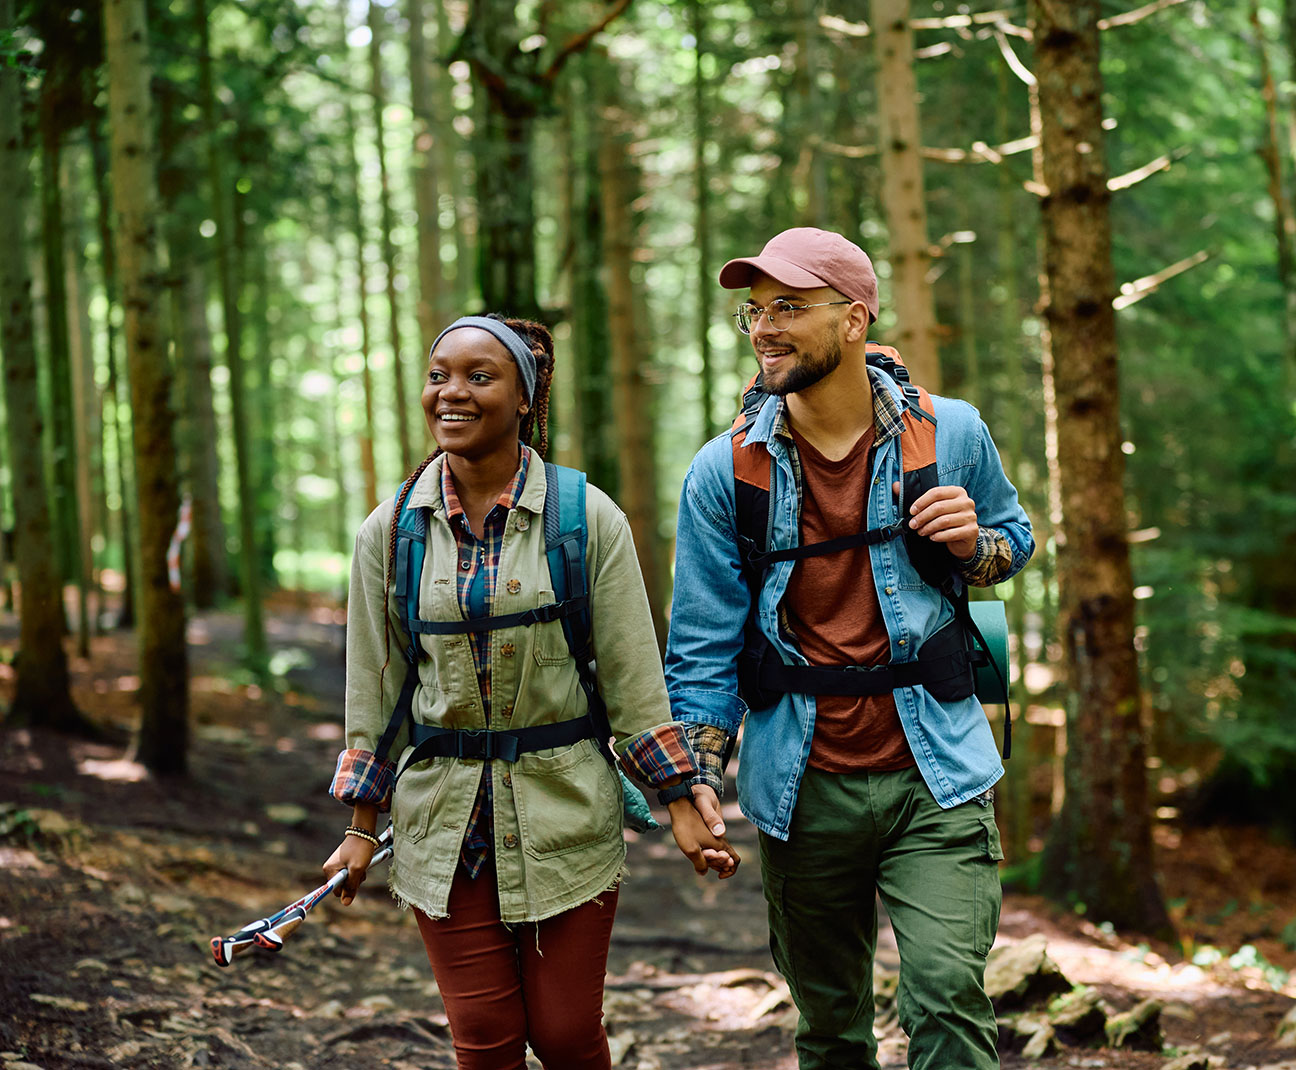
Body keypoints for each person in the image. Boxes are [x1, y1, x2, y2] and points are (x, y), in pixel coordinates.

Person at [664, 227, 1034, 1069]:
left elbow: (1014, 538)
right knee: (831, 1029)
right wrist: (693, 780)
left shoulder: (953, 433)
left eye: (789, 308)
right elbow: (701, 645)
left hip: (935, 777)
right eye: (754, 312)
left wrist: (974, 544)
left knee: (947, 999)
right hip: (802, 788)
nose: (764, 327)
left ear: (855, 318)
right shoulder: (725, 474)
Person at [322, 314, 729, 1070]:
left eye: (480, 377)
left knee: (568, 1033)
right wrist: (358, 825)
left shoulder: (584, 519)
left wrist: (680, 800)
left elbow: (635, 677)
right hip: (441, 824)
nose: (452, 392)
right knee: (483, 1038)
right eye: (440, 373)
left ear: (524, 400)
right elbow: (374, 692)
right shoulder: (391, 534)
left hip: (565, 813)